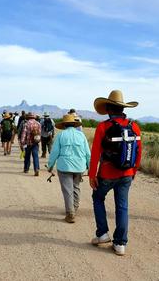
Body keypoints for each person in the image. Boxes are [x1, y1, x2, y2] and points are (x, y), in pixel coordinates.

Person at [89, 90, 142, 256]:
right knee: (122, 206)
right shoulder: (134, 126)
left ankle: (103, 234)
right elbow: (138, 151)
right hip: (126, 173)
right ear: (122, 108)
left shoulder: (103, 126)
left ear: (109, 109)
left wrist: (92, 175)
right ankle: (120, 244)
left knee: (98, 198)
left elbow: (96, 153)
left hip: (106, 173)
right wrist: (134, 170)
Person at [47, 114, 91, 223]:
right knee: (76, 187)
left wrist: (50, 166)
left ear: (64, 125)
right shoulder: (81, 135)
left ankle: (70, 213)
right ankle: (74, 208)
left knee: (67, 190)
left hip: (64, 166)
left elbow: (54, 152)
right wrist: (90, 167)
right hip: (80, 166)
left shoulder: (61, 135)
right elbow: (87, 153)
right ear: (74, 124)